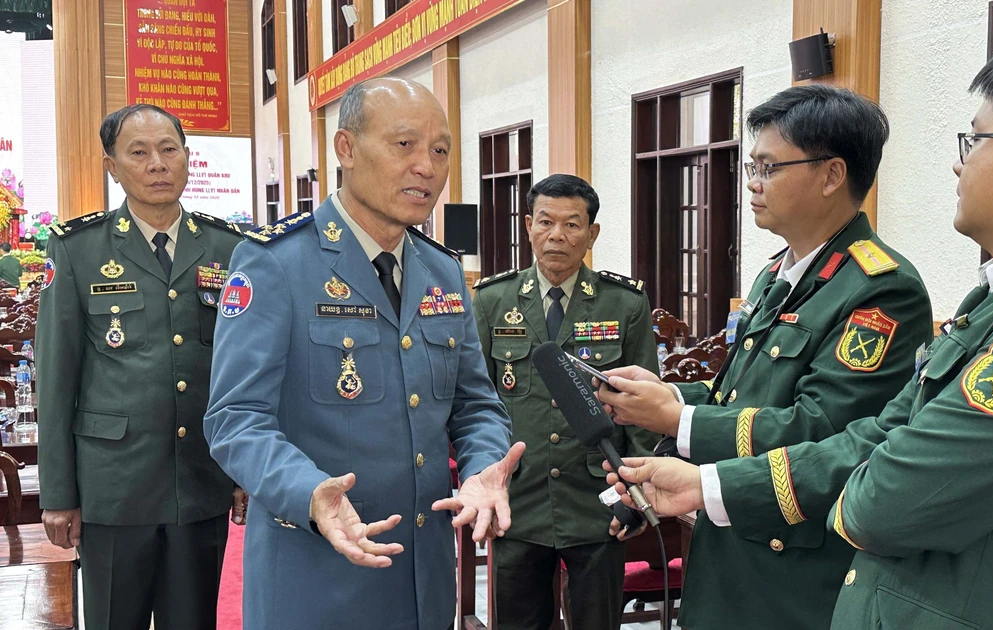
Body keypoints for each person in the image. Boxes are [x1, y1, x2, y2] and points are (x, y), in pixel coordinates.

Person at [606, 31, 993, 629]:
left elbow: (879, 501)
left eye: (977, 138)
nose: (961, 160)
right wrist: (709, 483)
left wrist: (699, 443)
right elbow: (881, 434)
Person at [594, 85, 932, 629]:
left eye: (769, 168)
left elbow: (824, 430)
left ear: (831, 175)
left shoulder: (881, 290)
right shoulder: (778, 273)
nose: (751, 182)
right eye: (752, 165)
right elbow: (740, 395)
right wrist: (666, 396)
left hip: (791, 573)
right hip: (725, 552)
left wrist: (679, 419)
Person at [203, 77, 522, 630]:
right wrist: (309, 494)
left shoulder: (442, 271)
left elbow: (475, 404)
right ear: (345, 148)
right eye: (405, 145)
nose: (427, 166)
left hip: (421, 582)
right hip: (315, 578)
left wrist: (481, 469)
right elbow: (235, 420)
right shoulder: (275, 262)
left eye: (440, 149)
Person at [34, 104, 247, 630]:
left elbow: (245, 372)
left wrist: (246, 470)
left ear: (187, 158)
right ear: (113, 166)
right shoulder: (79, 249)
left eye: (169, 149)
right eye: (139, 152)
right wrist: (59, 495)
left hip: (201, 480)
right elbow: (57, 381)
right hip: (113, 488)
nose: (157, 163)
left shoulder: (229, 247)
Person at [472, 173, 660, 630]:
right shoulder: (493, 300)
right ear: (528, 226)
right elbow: (477, 401)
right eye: (546, 222)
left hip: (597, 503)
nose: (557, 235)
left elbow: (643, 414)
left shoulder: (624, 303)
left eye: (572, 225)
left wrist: (634, 496)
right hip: (519, 499)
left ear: (591, 234)